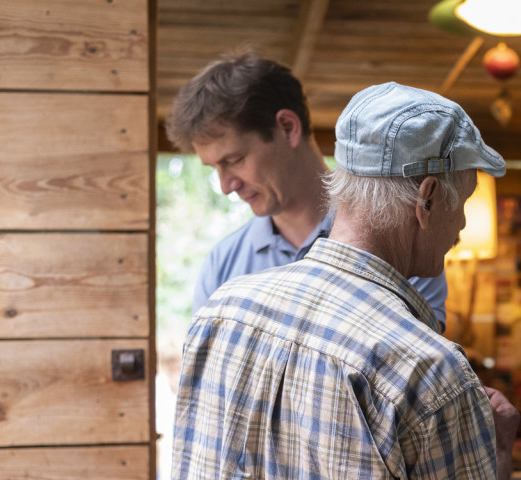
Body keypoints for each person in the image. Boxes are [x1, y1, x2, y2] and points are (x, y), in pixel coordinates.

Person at [169, 81, 518, 480]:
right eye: (463, 200)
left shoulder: (221, 313)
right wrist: (499, 445)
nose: (461, 225)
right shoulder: (426, 367)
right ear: (428, 197)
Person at [165, 53, 448, 326]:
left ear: (288, 128)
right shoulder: (222, 264)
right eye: (213, 167)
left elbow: (416, 365)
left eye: (235, 160)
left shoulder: (401, 237)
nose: (226, 186)